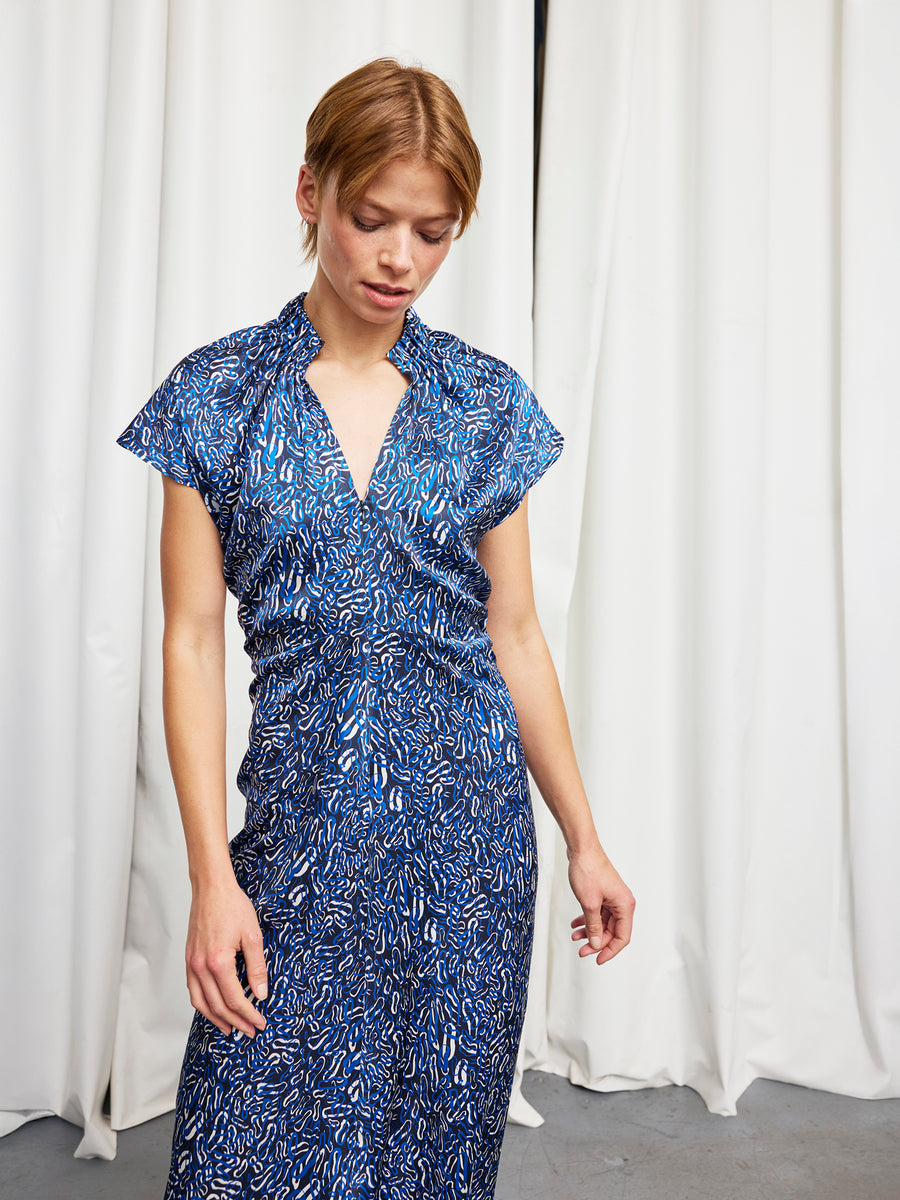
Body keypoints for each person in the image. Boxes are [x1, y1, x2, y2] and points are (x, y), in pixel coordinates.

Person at [117, 57, 634, 1200]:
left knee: (432, 1167)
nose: (401, 258)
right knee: (234, 1161)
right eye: (373, 219)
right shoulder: (214, 399)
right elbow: (191, 641)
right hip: (300, 845)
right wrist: (212, 877)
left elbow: (517, 634)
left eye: (435, 231)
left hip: (469, 852)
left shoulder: (484, 402)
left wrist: (584, 837)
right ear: (313, 194)